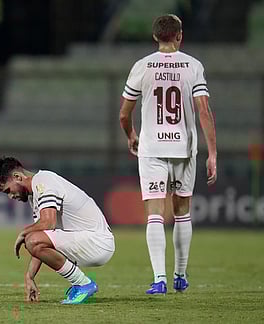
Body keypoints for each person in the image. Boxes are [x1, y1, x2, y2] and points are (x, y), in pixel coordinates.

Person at [119, 14, 217, 294]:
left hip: (152, 150)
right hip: (184, 149)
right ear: (179, 36)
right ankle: (180, 276)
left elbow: (124, 114)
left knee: (154, 215)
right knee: (182, 212)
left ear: (154, 37)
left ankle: (159, 279)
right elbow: (204, 112)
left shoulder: (142, 67)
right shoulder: (193, 66)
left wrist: (131, 136)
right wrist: (212, 153)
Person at [0, 157, 115, 304]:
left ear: (17, 177)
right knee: (33, 239)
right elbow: (42, 239)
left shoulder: (44, 181)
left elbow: (48, 223)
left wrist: (23, 233)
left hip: (96, 241)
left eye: (9, 190)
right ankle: (82, 284)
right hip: (91, 240)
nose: (11, 196)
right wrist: (29, 277)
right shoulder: (35, 194)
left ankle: (83, 284)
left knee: (32, 239)